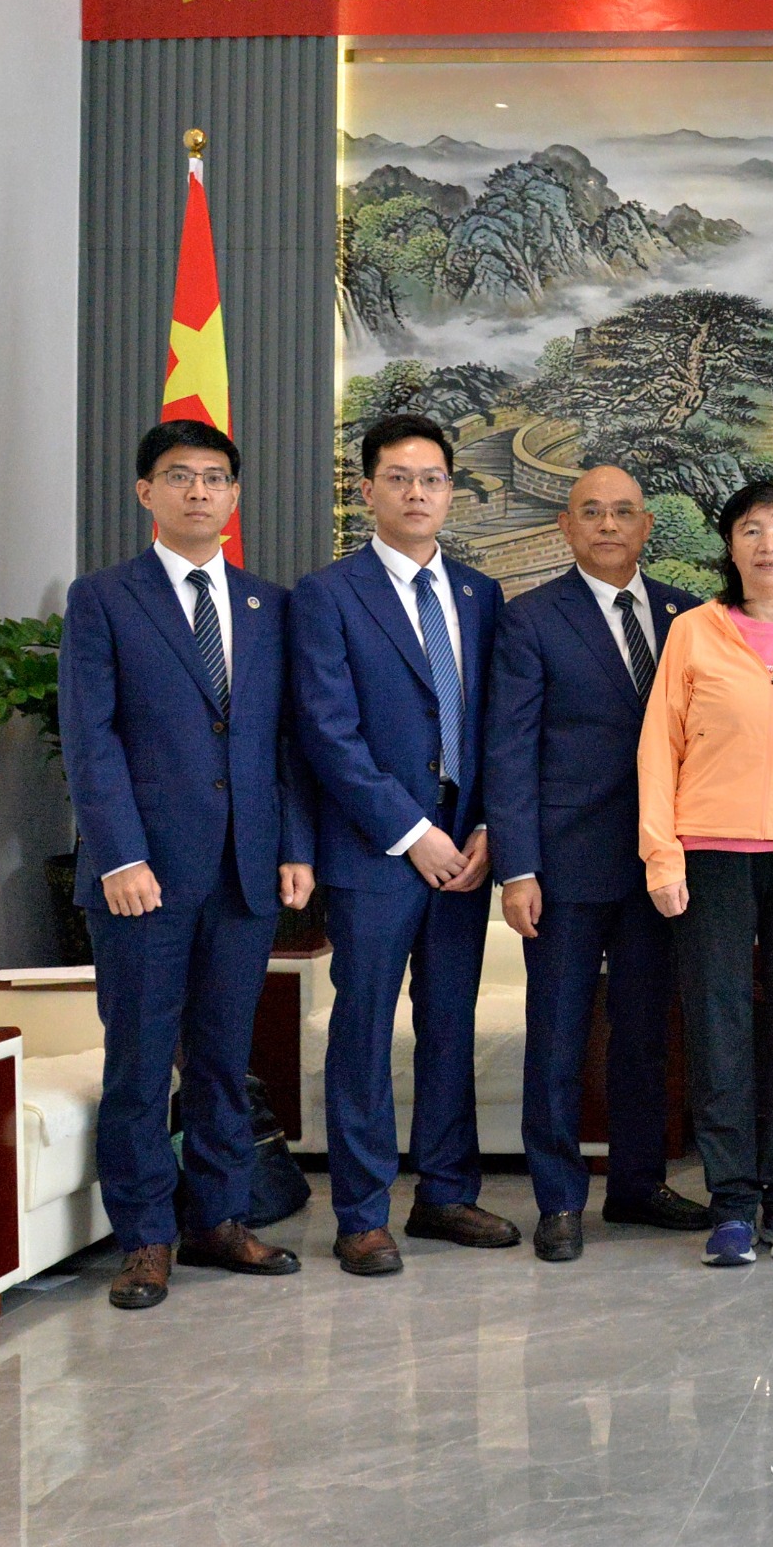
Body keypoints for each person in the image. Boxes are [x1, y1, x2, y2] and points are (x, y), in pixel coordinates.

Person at [59, 420, 314, 1310]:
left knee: (222, 1059)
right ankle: (144, 1239)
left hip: (246, 873)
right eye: (179, 477)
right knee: (138, 1063)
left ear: (234, 496)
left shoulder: (268, 606)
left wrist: (294, 847)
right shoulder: (103, 598)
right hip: (144, 877)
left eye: (214, 478)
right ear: (147, 493)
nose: (198, 491)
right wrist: (119, 854)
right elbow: (90, 740)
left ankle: (218, 1219)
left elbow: (285, 742)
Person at [291, 412, 516, 1276]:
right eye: (398, 477)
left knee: (450, 1023)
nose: (416, 492)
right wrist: (412, 832)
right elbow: (327, 731)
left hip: (468, 851)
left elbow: (497, 727)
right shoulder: (327, 594)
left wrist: (487, 826)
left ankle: (446, 1194)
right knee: (363, 1028)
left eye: (431, 479)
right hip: (376, 851)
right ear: (367, 490)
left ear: (450, 492)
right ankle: (359, 1213)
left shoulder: (480, 595)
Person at [484, 465, 713, 1264]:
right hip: (565, 866)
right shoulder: (530, 618)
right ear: (567, 527)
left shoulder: (687, 616)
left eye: (622, 512)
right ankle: (558, 1199)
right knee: (558, 1036)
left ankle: (639, 1184)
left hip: (660, 867)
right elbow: (509, 751)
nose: (608, 525)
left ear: (646, 526)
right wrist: (518, 868)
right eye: (591, 512)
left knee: (647, 1035)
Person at [640, 479, 773, 1269]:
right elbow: (658, 749)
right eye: (753, 530)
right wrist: (662, 855)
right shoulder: (693, 633)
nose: (770, 544)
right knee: (718, 1031)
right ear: (730, 546)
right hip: (710, 856)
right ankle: (731, 1204)